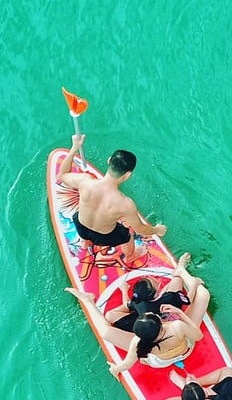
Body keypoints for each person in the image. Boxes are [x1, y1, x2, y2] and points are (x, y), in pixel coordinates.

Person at [65, 251, 212, 374]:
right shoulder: (177, 326)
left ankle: (87, 301)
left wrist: (115, 370)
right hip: (185, 349)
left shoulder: (138, 342)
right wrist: (180, 313)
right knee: (203, 294)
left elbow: (126, 365)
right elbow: (198, 335)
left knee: (105, 332)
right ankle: (181, 270)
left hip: (159, 361)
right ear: (161, 322)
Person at [56, 134, 166, 264]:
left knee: (79, 215)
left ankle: (85, 243)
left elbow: (62, 175)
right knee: (128, 234)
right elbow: (140, 229)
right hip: (104, 238)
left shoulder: (84, 181)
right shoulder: (125, 204)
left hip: (80, 226)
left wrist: (74, 148)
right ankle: (130, 256)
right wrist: (157, 230)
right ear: (128, 175)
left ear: (109, 161)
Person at [104, 253, 198, 332]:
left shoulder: (138, 301)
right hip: (164, 320)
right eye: (153, 282)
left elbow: (126, 304)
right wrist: (194, 283)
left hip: (143, 318)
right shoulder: (169, 297)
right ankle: (181, 266)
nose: (153, 279)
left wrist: (124, 290)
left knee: (109, 315)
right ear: (156, 293)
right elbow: (188, 299)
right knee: (177, 278)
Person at [167, 366, 232, 400]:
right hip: (224, 397)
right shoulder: (219, 396)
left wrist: (183, 385)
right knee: (228, 371)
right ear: (205, 393)